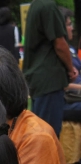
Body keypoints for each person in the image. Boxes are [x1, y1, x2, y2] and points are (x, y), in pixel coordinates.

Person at [23, 0, 77, 137]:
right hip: (49, 81)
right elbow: (59, 43)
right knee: (48, 136)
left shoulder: (36, 5)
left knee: (41, 134)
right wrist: (71, 69)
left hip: (39, 81)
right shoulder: (48, 6)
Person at [62, 9, 81, 122]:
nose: (72, 28)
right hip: (71, 99)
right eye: (69, 25)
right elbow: (62, 86)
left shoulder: (71, 49)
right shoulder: (57, 54)